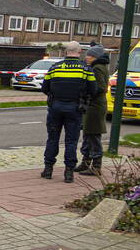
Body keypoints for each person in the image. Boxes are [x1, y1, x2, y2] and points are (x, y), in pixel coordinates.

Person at [40, 42, 97, 183]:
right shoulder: (86, 69)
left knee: (52, 138)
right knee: (71, 141)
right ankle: (69, 172)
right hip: (75, 108)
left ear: (66, 52)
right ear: (80, 52)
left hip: (55, 107)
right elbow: (93, 89)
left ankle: (48, 169)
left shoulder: (55, 67)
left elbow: (45, 87)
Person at [76, 43, 110, 176]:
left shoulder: (97, 68)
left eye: (89, 55)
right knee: (88, 135)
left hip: (95, 106)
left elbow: (100, 87)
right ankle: (85, 162)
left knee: (93, 135)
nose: (86, 57)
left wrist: (87, 90)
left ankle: (96, 166)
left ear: (95, 57)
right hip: (93, 105)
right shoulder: (98, 67)